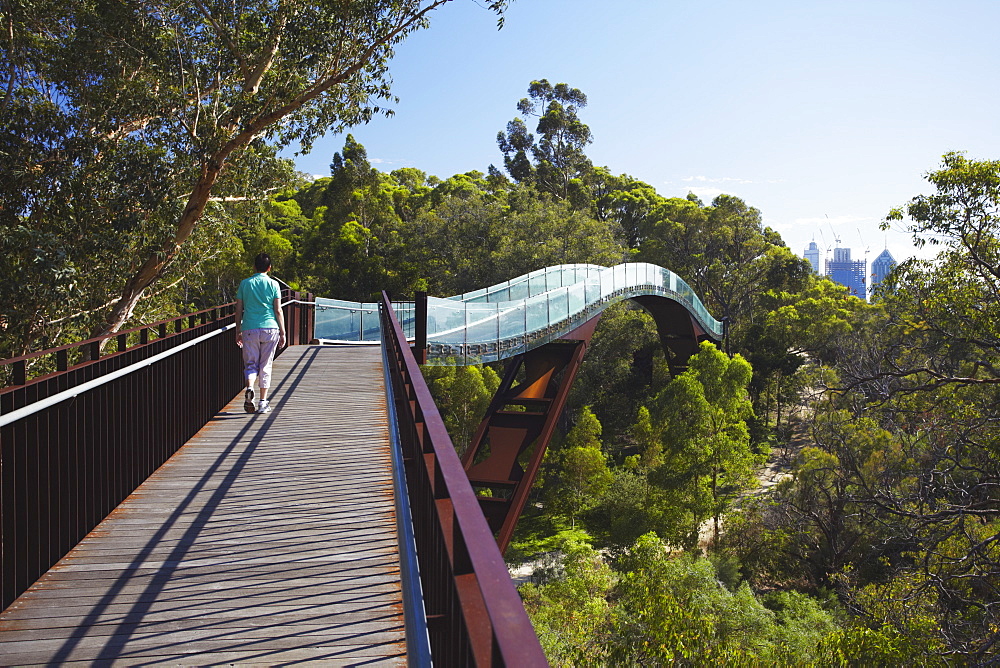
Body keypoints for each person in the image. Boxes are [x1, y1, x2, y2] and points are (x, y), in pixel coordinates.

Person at [235, 252, 286, 414]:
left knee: (251, 364)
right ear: (269, 268)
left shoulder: (245, 284)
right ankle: (263, 402)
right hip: (270, 328)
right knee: (265, 365)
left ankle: (250, 387)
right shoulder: (274, 284)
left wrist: (238, 330)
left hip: (249, 327)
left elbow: (238, 309)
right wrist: (283, 332)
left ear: (254, 266)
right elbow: (278, 310)